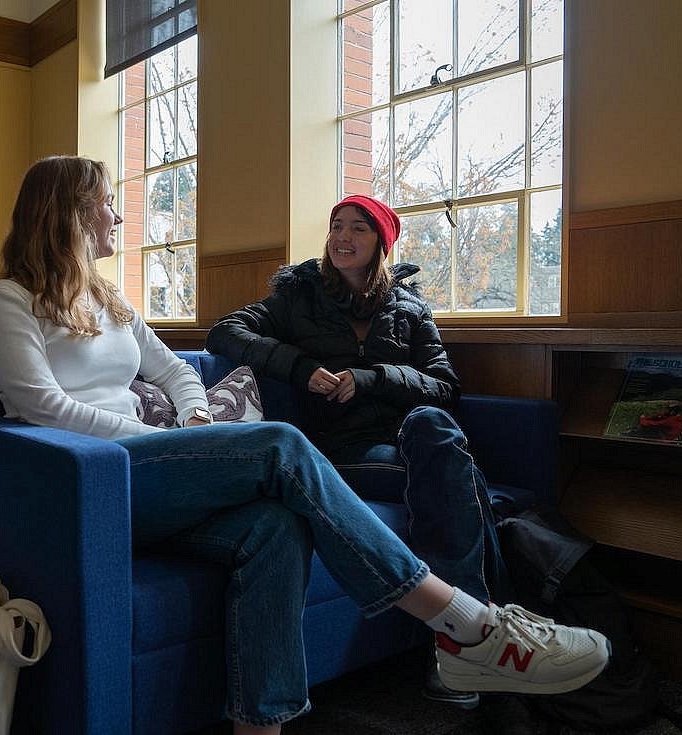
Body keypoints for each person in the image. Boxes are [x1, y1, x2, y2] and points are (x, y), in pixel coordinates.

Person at [0, 157, 609, 735]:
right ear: (71, 213)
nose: (118, 214)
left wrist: (195, 415)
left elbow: (176, 372)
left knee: (277, 526)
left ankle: (262, 726)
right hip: (91, 479)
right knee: (281, 442)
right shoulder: (8, 301)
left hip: (155, 472)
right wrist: (162, 437)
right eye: (108, 202)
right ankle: (469, 629)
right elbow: (40, 407)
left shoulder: (110, 300)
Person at [205, 194, 518, 709]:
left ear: (382, 244)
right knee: (455, 479)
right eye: (336, 226)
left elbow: (445, 387)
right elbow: (225, 333)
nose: (342, 238)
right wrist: (301, 368)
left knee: (434, 428)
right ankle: (470, 636)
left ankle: (463, 637)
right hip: (340, 456)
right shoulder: (297, 297)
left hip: (409, 445)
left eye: (358, 229)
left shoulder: (410, 308)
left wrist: (372, 379)